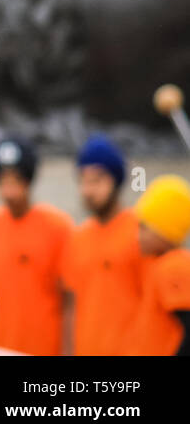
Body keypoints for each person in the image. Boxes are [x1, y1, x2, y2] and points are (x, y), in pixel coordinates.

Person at [0, 136, 73, 355]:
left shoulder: (57, 227)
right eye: (3, 180)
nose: (9, 190)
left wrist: (68, 349)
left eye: (15, 180)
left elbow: (67, 297)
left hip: (41, 347)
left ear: (28, 180)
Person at [60, 134, 144, 355]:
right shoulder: (77, 237)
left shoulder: (142, 234)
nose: (87, 190)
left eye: (97, 180)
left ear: (116, 180)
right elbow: (70, 306)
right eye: (83, 180)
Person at [124, 174, 190, 355]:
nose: (138, 234)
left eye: (144, 227)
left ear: (166, 230)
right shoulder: (160, 263)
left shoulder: (173, 266)